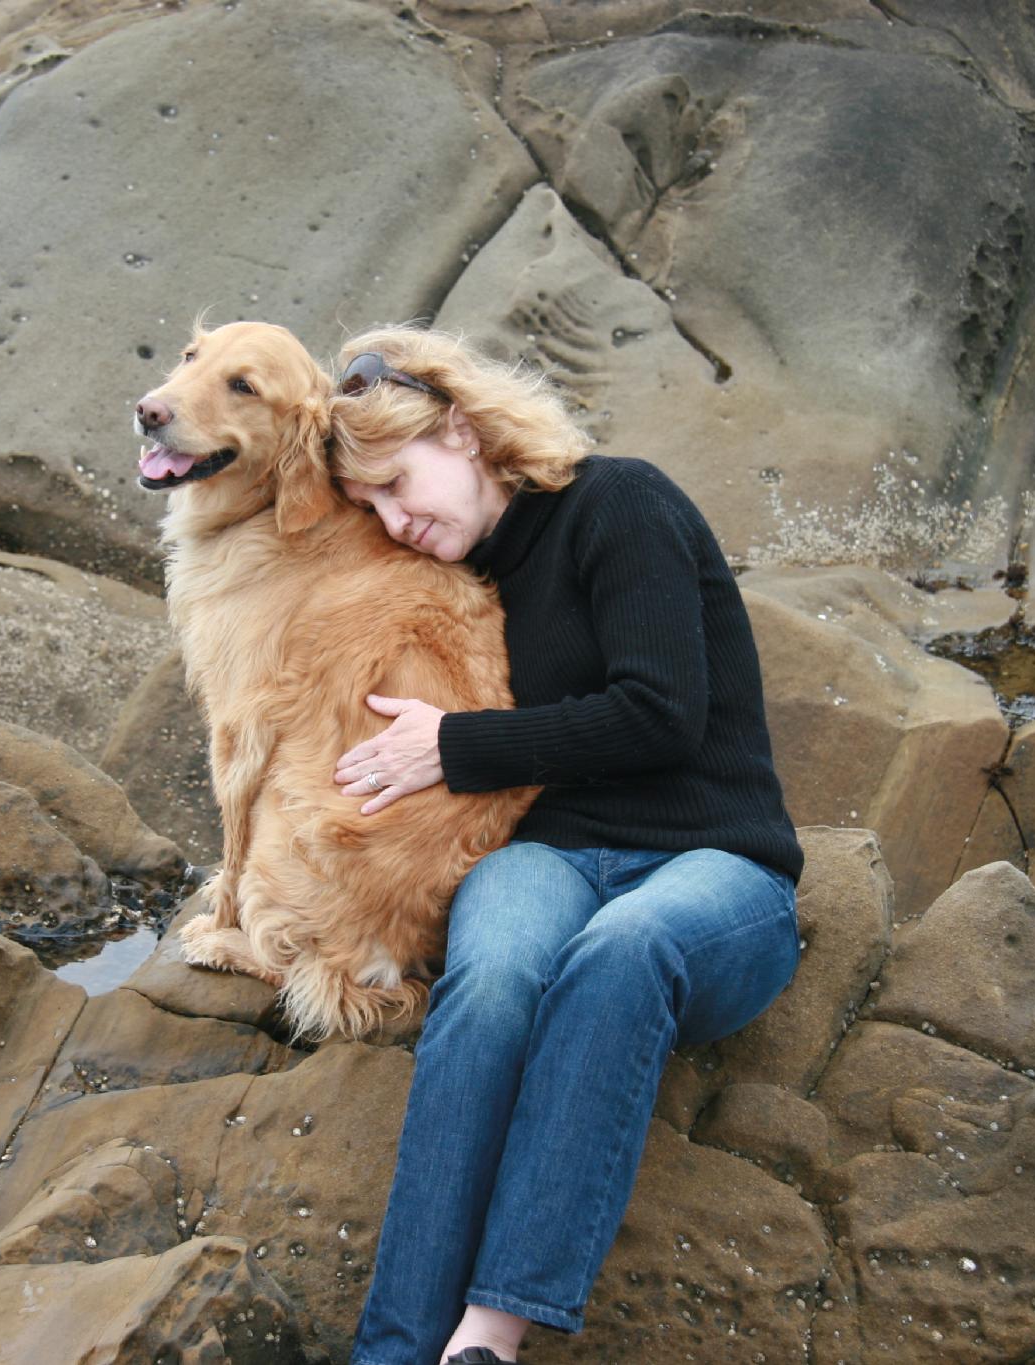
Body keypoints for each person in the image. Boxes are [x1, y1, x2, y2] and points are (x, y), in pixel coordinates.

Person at [325, 325, 805, 1365]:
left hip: (716, 864)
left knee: (623, 952)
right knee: (492, 979)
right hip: (551, 855)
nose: (396, 521)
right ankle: (393, 1351)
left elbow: (661, 713)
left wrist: (454, 746)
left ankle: (487, 1338)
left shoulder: (618, 503)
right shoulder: (455, 579)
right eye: (370, 507)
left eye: (398, 482)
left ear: (461, 430)